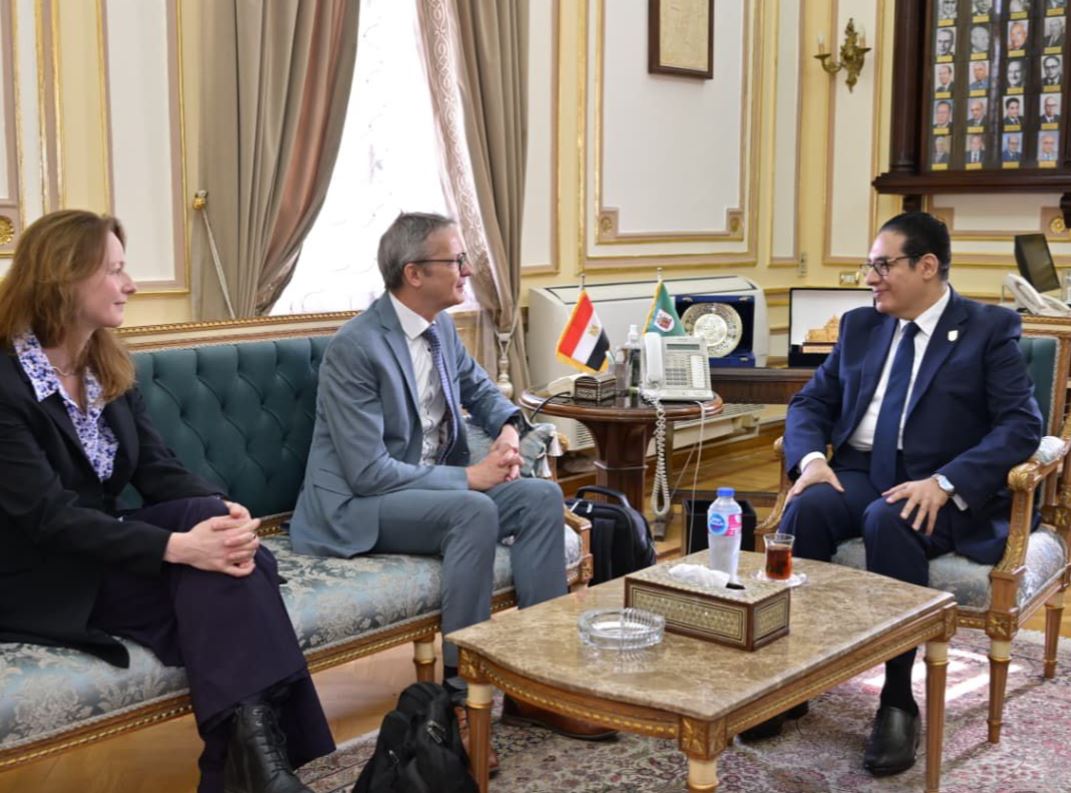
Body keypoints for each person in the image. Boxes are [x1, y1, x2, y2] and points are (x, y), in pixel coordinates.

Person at [0, 210, 334, 793]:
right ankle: (259, 773)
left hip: (104, 549)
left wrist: (223, 512)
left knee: (222, 553)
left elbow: (158, 468)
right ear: (63, 277)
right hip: (40, 571)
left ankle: (254, 772)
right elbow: (49, 518)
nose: (131, 285)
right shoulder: (6, 383)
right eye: (114, 270)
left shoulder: (103, 363)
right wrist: (180, 547)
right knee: (236, 579)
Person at [289, 212, 613, 741]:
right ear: (414, 273)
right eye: (456, 260)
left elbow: (480, 390)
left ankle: (538, 686)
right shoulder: (357, 347)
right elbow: (368, 473)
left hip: (422, 491)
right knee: (473, 509)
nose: (467, 270)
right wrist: (470, 477)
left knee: (537, 498)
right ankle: (461, 697)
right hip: (355, 506)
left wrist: (508, 431)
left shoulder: (440, 326)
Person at [778, 212, 1042, 776]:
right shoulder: (860, 326)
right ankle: (794, 676)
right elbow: (811, 403)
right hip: (859, 469)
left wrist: (947, 482)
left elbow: (1021, 426)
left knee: (890, 518)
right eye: (868, 265)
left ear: (926, 266)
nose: (870, 278)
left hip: (938, 483)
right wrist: (813, 460)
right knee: (808, 508)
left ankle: (898, 699)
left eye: (882, 265)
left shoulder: (988, 328)